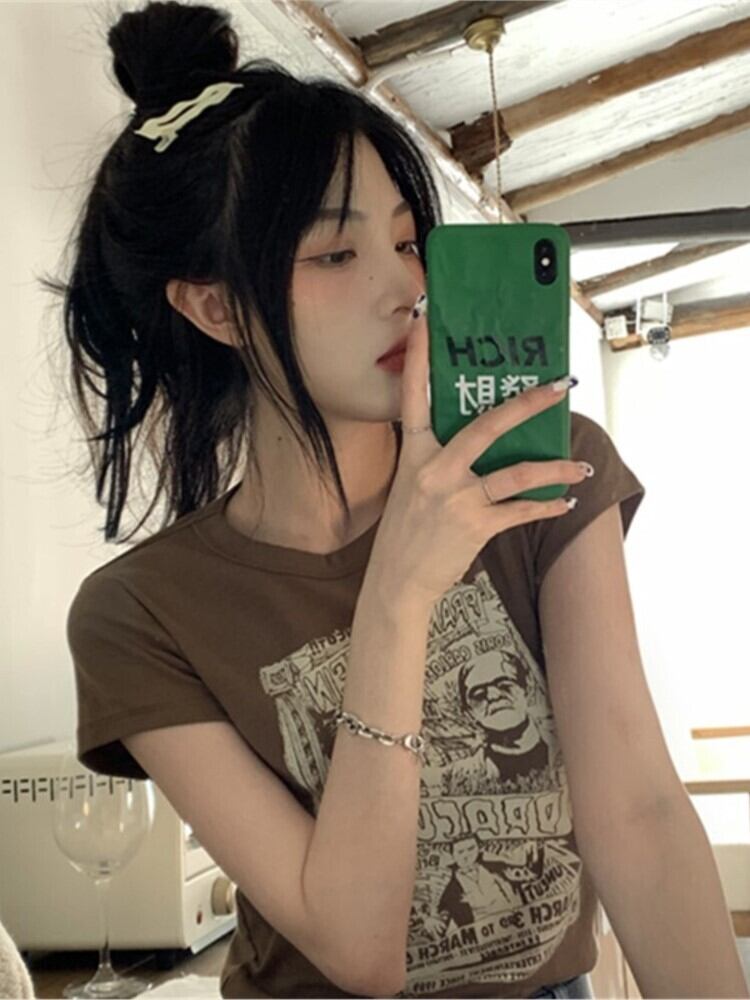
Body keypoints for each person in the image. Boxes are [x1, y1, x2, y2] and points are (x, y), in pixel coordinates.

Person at [40, 2, 657, 997]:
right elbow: (361, 951)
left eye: (410, 243)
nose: (405, 288)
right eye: (336, 254)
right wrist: (399, 596)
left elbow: (639, 816)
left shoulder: (543, 472)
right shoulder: (139, 616)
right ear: (215, 306)